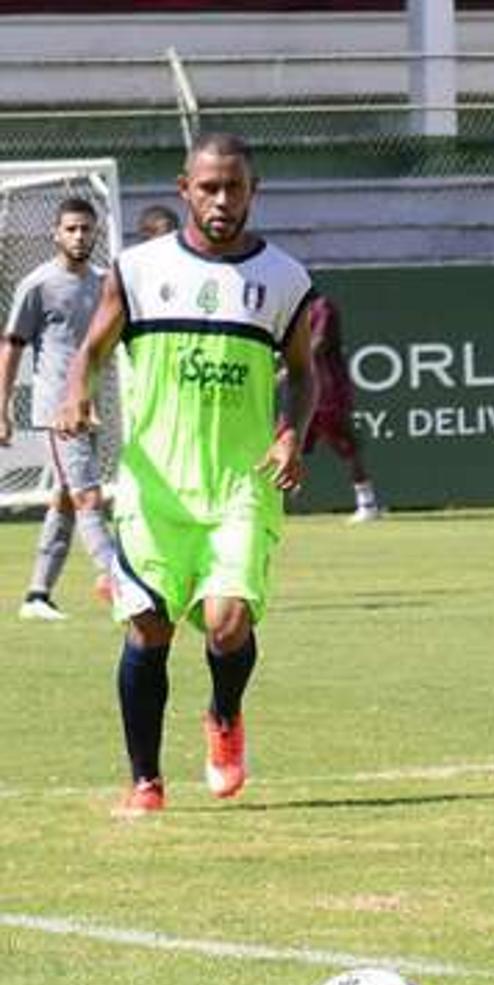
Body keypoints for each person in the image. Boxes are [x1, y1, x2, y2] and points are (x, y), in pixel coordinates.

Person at [58, 131, 315, 818]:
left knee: (227, 626)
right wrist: (76, 389)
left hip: (240, 484)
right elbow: (92, 349)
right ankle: (145, 782)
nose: (222, 200)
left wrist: (291, 430)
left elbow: (303, 373)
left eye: (234, 187)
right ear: (184, 189)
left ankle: (224, 715)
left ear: (253, 192)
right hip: (154, 488)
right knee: (148, 628)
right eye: (209, 187)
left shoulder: (285, 279)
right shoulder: (138, 270)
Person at [0, 197, 115, 621]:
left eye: (86, 229)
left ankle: (37, 595)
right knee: (88, 494)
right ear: (56, 233)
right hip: (57, 410)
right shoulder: (38, 284)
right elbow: (11, 347)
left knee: (67, 499)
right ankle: (117, 578)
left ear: (96, 234)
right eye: (71, 229)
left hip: (92, 407)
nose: (79, 236)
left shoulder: (105, 283)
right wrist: (2, 407)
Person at [300, 292, 383, 522]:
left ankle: (367, 504)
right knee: (284, 440)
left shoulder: (323, 306)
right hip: (305, 393)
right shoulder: (299, 313)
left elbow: (319, 344)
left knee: (345, 445)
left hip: (329, 391)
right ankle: (263, 503)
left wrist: (291, 365)